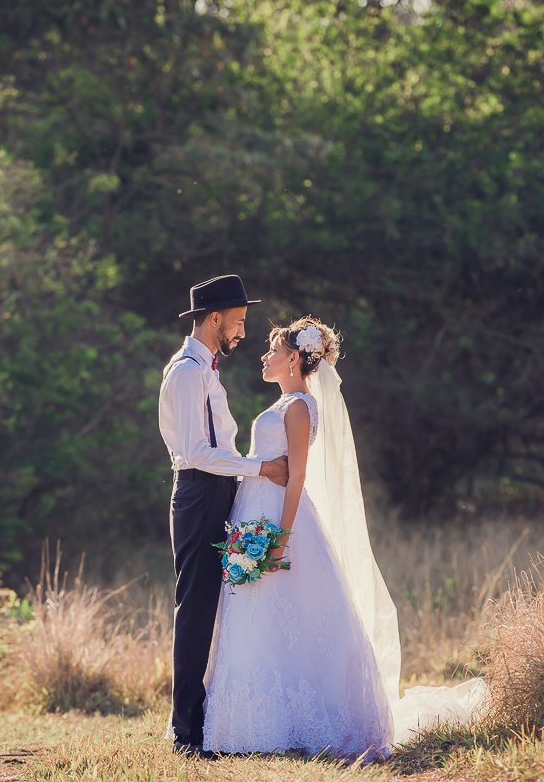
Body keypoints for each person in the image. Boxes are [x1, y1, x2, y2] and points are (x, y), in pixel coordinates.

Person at [199, 316, 493, 761]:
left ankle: (293, 721)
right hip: (253, 514)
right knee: (256, 613)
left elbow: (296, 479)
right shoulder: (285, 404)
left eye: (273, 351)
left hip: (276, 518)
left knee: (282, 614)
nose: (264, 356)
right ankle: (252, 719)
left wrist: (279, 537)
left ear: (294, 359)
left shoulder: (298, 407)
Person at [159, 275, 289, 759]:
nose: (240, 332)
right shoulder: (189, 372)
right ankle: (186, 734)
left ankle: (207, 721)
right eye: (237, 323)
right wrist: (263, 469)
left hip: (217, 492)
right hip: (198, 494)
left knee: (215, 608)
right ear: (213, 319)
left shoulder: (206, 369)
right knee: (194, 611)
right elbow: (197, 452)